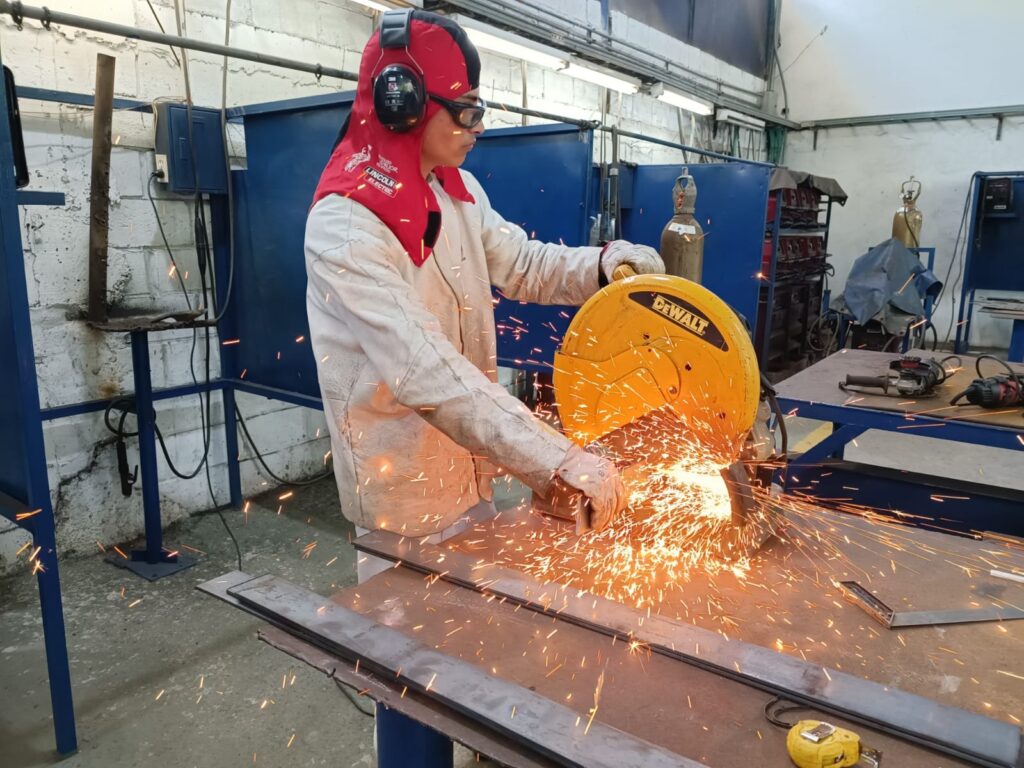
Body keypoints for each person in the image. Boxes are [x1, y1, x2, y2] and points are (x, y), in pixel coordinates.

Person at [305, 9, 664, 584]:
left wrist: (602, 265)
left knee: (475, 636)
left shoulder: (457, 189)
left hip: (471, 469)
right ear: (407, 106)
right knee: (406, 651)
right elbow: (428, 373)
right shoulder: (346, 227)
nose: (477, 128)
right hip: (405, 495)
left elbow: (521, 263)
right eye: (466, 112)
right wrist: (556, 460)